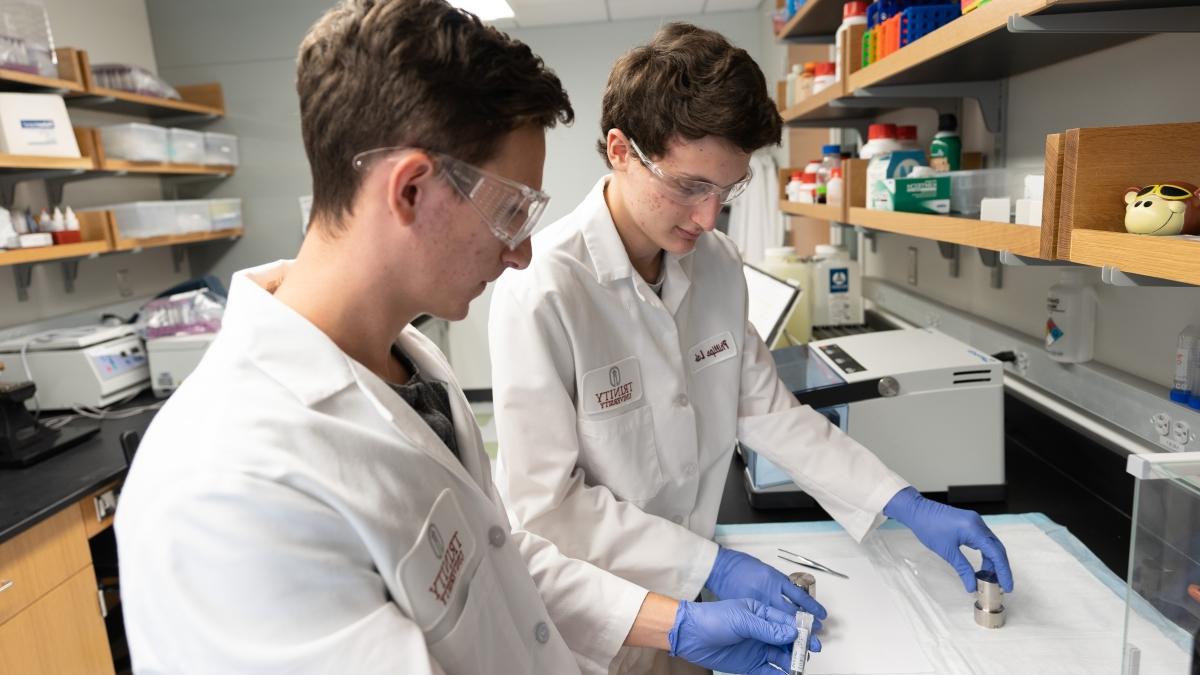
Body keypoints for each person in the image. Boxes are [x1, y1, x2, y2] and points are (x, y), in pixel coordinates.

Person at [114, 3, 807, 674]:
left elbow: (499, 570)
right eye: (511, 210)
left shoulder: (415, 374)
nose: (523, 255)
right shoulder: (229, 485)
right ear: (411, 188)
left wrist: (677, 625)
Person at [488, 22, 1014, 674]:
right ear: (621, 150)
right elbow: (546, 507)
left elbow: (771, 413)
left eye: (726, 191)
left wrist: (901, 502)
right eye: (689, 187)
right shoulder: (543, 290)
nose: (709, 218)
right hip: (603, 625)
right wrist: (710, 563)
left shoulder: (716, 265)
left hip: (707, 605)